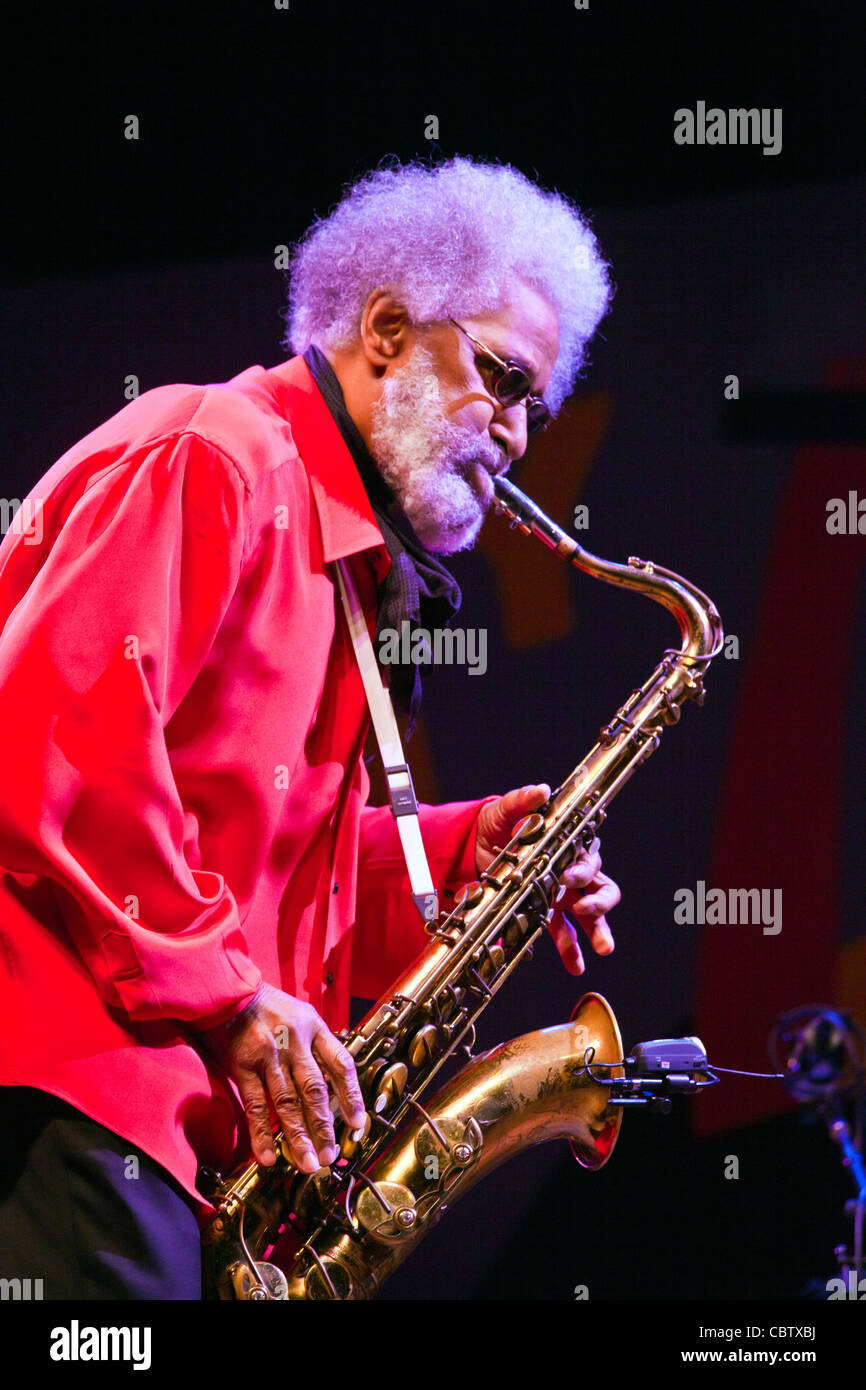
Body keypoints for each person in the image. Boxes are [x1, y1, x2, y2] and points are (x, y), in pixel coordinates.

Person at [0, 156, 619, 1299]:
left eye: (537, 400)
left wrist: (471, 857)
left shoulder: (348, 566)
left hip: (180, 1154)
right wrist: (230, 997)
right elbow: (48, 742)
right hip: (73, 1104)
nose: (521, 435)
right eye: (501, 378)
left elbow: (269, 876)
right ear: (385, 328)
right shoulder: (213, 449)